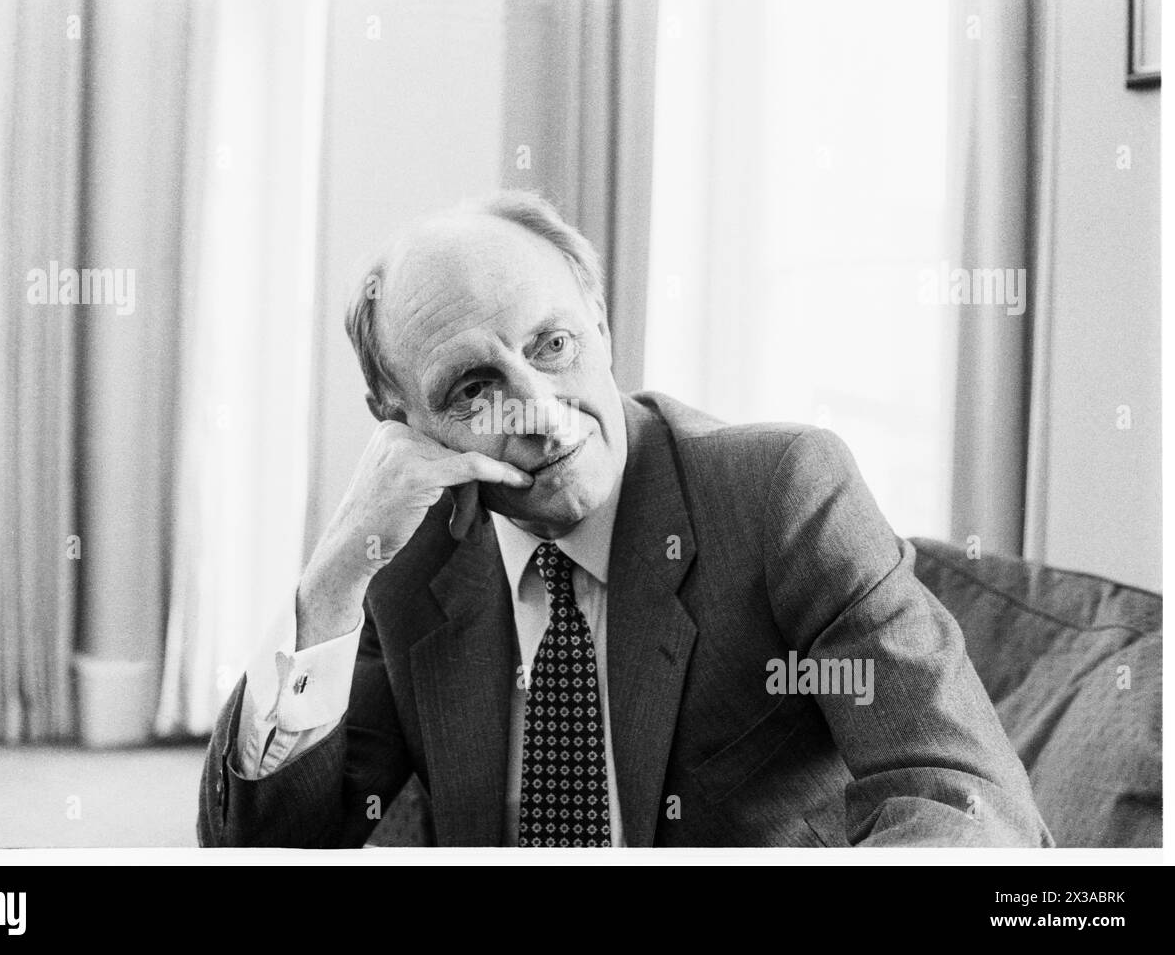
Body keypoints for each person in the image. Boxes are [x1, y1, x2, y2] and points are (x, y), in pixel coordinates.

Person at [198, 190, 1052, 848]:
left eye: (553, 345)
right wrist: (338, 570)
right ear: (401, 423)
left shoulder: (781, 492)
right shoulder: (409, 558)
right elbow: (267, 847)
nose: (539, 411)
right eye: (473, 388)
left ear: (601, 324)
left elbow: (960, 793)